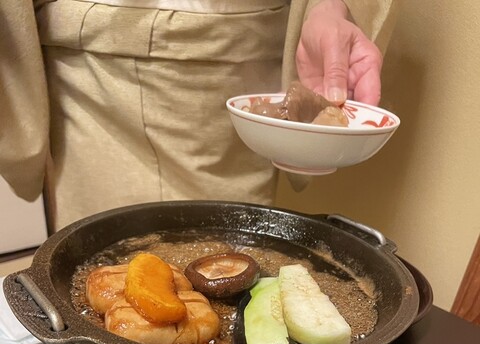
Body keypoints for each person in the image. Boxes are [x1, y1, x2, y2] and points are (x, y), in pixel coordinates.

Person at [0, 0, 398, 232]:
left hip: (238, 63)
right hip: (88, 76)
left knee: (234, 274)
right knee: (99, 279)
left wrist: (331, 7)